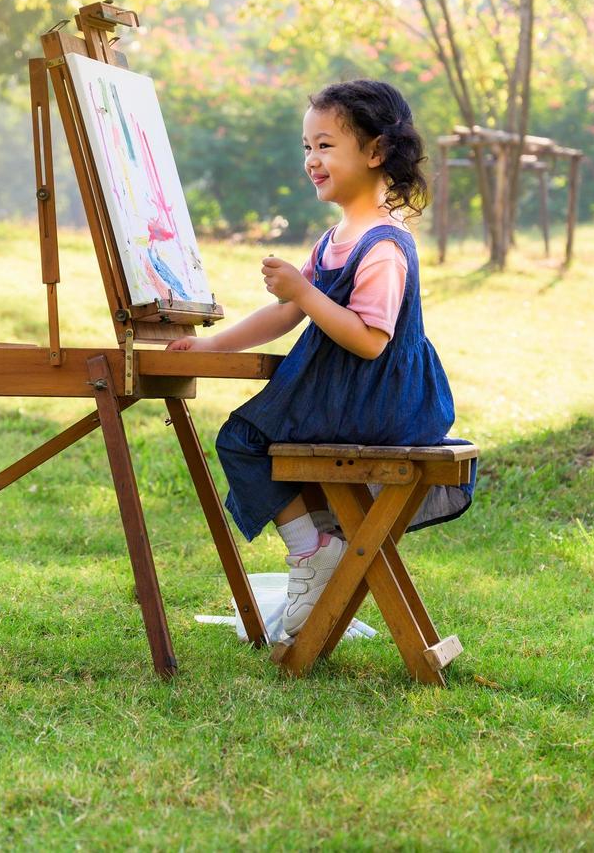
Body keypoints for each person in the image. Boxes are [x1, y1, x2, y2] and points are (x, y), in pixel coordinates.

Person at [167, 79, 473, 637]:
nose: (312, 159)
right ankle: (323, 554)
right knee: (256, 442)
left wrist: (305, 293)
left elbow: (370, 340)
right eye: (307, 146)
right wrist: (209, 347)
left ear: (376, 152)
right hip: (351, 395)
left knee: (242, 439)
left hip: (376, 399)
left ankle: (312, 552)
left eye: (326, 145)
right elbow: (283, 316)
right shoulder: (336, 238)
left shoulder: (381, 244)